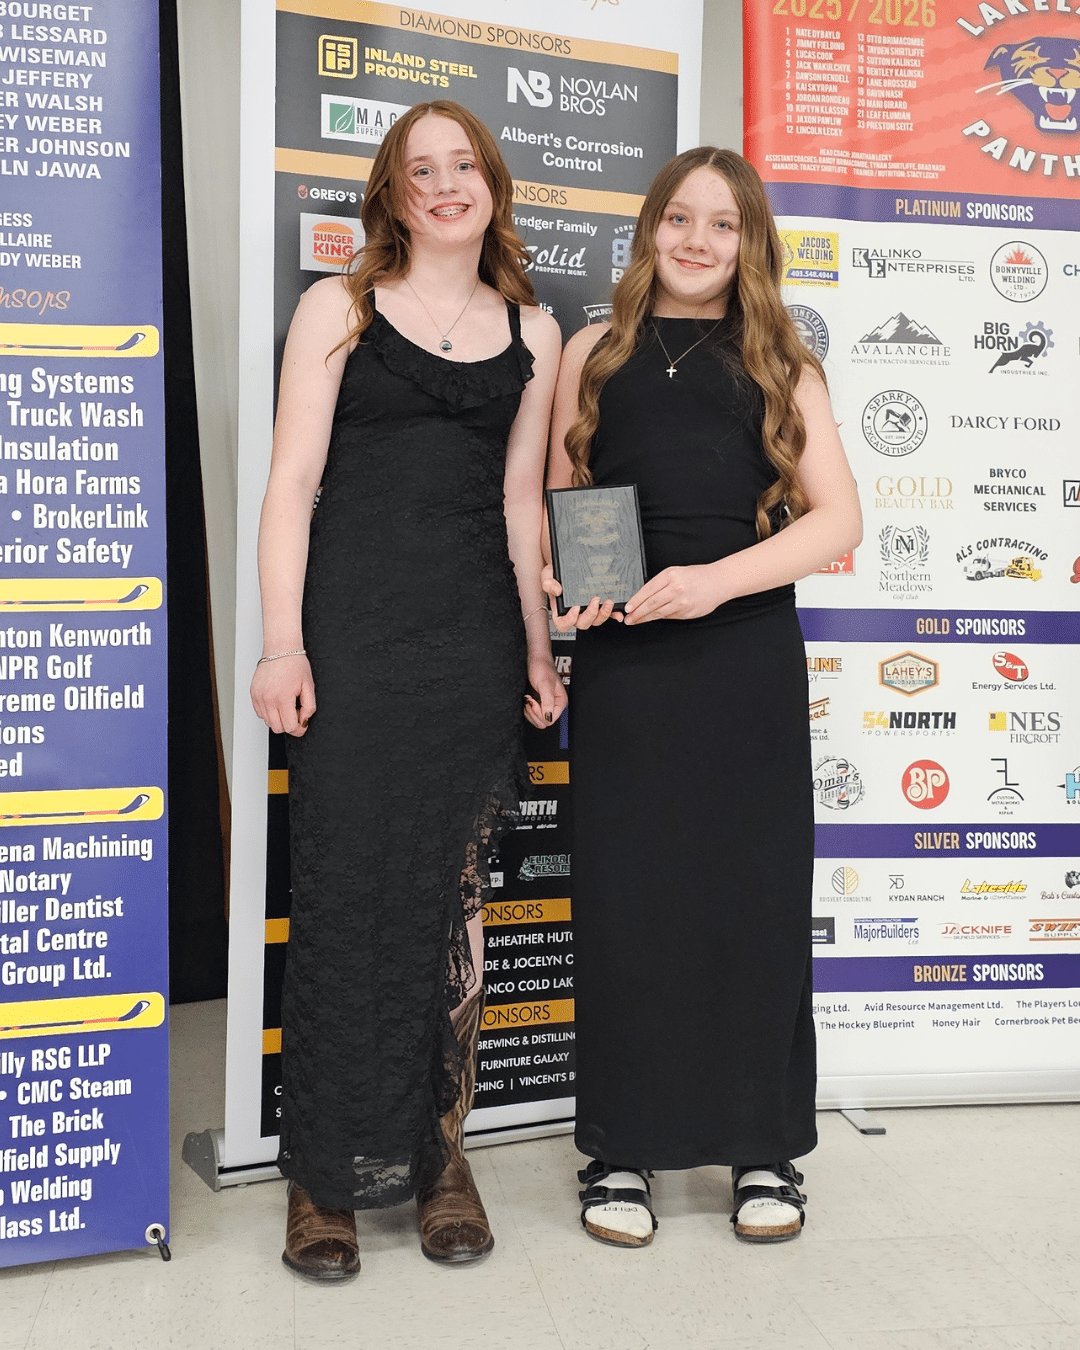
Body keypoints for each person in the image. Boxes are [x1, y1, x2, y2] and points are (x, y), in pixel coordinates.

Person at [251, 100, 564, 1281]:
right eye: (419, 169)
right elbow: (291, 484)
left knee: (452, 904)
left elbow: (523, 502)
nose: (444, 184)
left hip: (473, 638)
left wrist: (537, 649)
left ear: (492, 185)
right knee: (345, 893)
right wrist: (282, 644)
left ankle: (442, 1158)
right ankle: (323, 1178)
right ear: (392, 192)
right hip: (352, 633)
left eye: (463, 165)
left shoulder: (536, 329)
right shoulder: (337, 307)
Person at [542, 147, 862, 1246]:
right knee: (630, 911)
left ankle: (763, 1150)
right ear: (650, 228)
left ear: (749, 241)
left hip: (743, 658)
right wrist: (573, 582)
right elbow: (571, 499)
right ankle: (620, 1151)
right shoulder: (593, 350)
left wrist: (714, 582)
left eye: (722, 224)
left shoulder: (784, 360)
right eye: (679, 218)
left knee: (752, 905)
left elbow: (838, 521)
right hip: (627, 668)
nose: (696, 241)